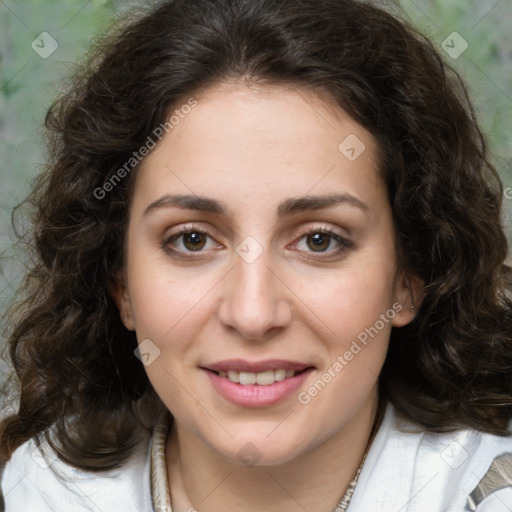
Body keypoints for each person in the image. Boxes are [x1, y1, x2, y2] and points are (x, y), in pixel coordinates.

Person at [1, 0, 511, 510]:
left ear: (408, 278)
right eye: (192, 239)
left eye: (319, 240)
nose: (253, 314)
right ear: (120, 282)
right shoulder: (33, 492)